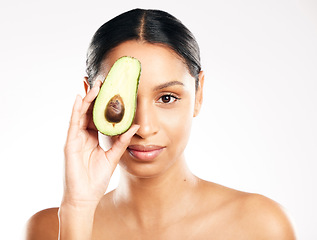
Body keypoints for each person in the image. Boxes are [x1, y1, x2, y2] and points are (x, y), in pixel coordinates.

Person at [25, 8, 296, 239]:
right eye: (121, 100)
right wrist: (78, 209)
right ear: (91, 96)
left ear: (199, 94)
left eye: (167, 98)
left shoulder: (260, 225)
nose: (143, 128)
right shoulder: (48, 229)